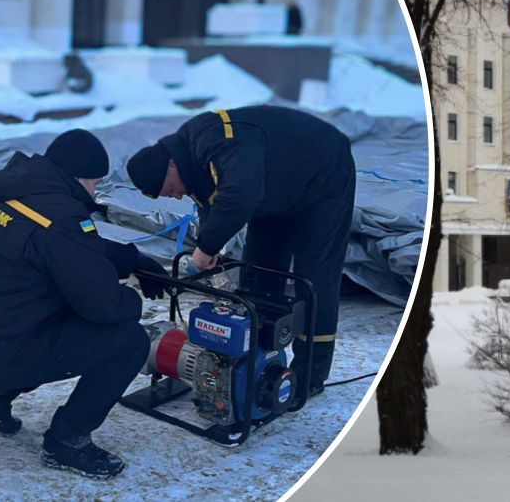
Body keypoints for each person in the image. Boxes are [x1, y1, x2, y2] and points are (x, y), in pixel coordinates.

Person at [0, 129, 166, 479]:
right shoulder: (59, 218)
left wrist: (131, 257)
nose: (95, 193)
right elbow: (104, 306)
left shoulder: (18, 195)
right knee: (129, 340)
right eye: (95, 184)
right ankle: (67, 442)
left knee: (51, 310)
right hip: (1, 351)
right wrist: (133, 300)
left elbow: (70, 250)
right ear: (78, 178)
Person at [126, 106, 356, 393]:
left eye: (170, 190)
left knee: (314, 279)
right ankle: (252, 363)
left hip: (324, 174)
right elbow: (210, 204)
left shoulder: (214, 139)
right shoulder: (188, 163)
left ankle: (310, 377)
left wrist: (206, 248)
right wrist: (208, 248)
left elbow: (240, 195)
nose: (176, 196)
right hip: (275, 187)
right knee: (258, 271)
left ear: (171, 166)